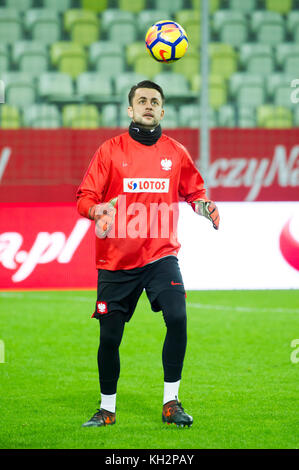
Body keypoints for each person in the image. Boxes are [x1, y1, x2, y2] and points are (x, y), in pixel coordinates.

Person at [76, 80, 219, 428]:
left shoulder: (176, 152)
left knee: (178, 317)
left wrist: (203, 206)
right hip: (116, 260)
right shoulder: (109, 151)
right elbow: (84, 198)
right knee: (109, 337)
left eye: (155, 101)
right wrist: (97, 212)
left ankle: (171, 402)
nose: (148, 105)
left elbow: (195, 193)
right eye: (141, 100)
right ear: (130, 110)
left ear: (162, 110)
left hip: (160, 256)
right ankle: (106, 409)